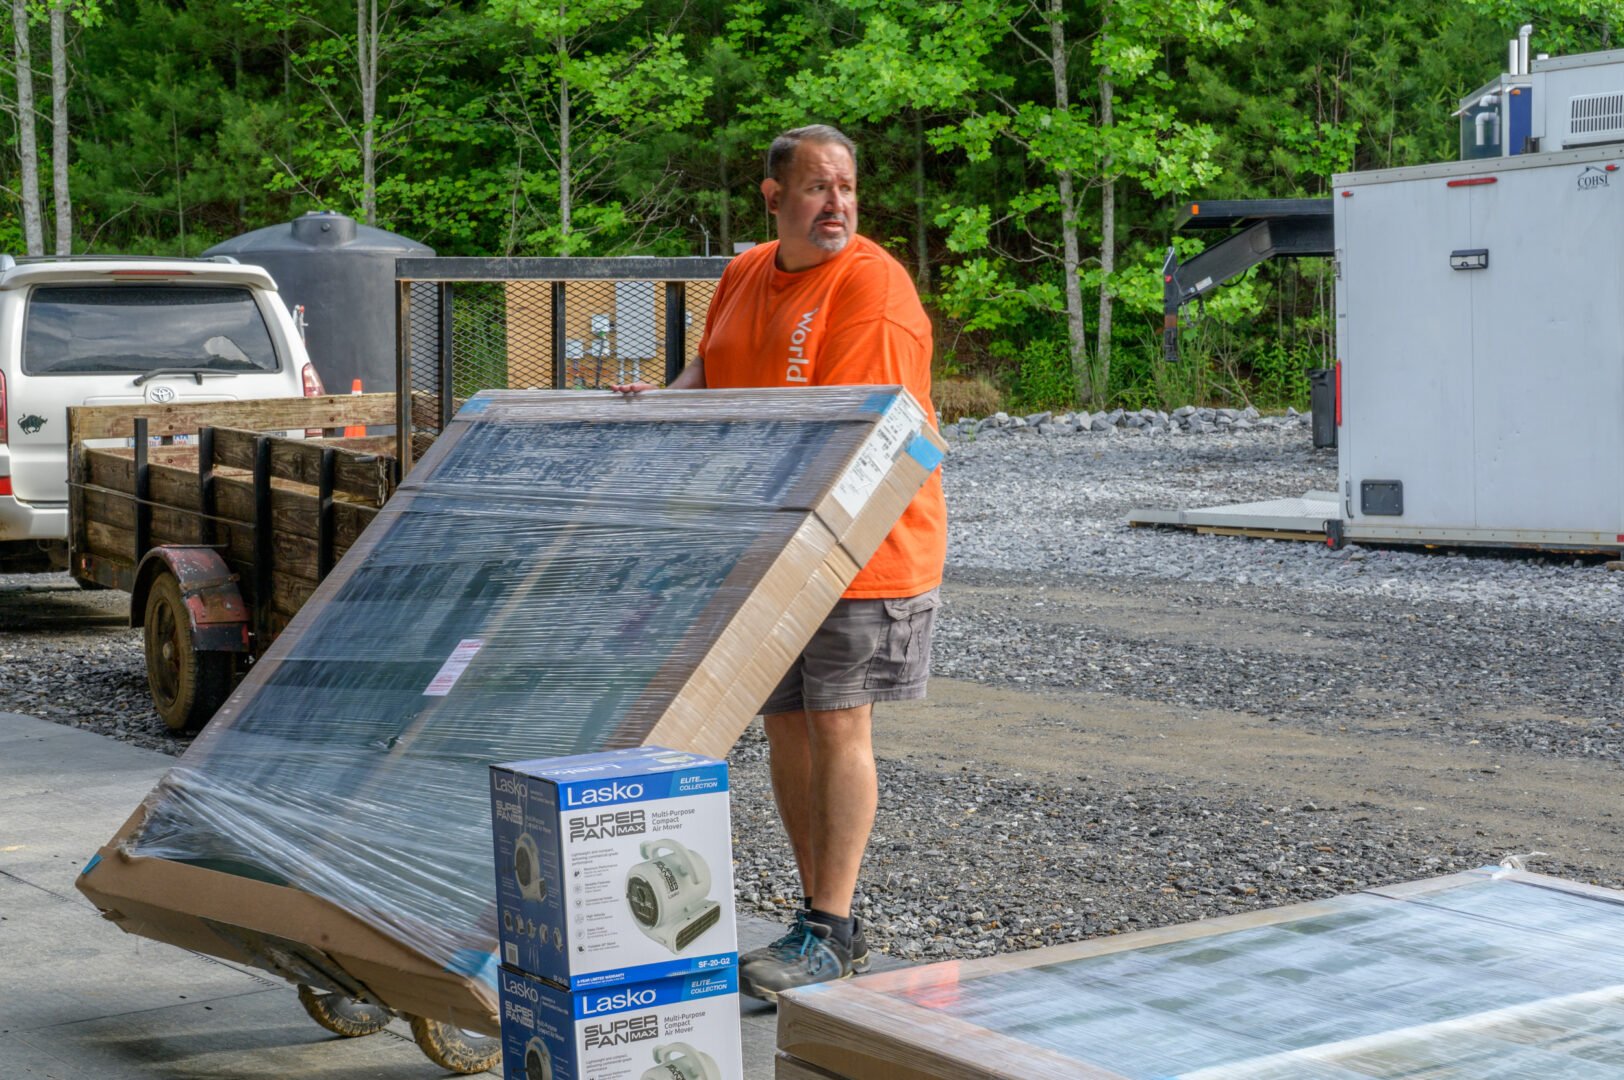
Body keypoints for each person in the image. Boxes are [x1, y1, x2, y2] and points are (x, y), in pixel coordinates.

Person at [613, 124, 946, 999]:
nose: (837, 204)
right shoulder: (746, 272)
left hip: (862, 544)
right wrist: (662, 405)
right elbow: (714, 368)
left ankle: (832, 926)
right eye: (817, 188)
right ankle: (815, 919)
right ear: (774, 197)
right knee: (786, 725)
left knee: (837, 723)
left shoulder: (872, 288)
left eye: (847, 188)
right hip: (776, 542)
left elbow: (854, 435)